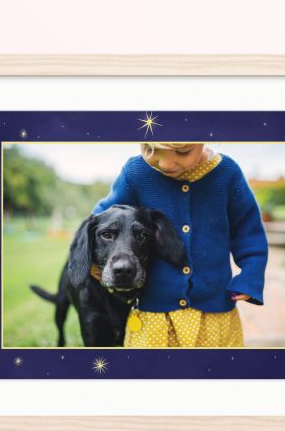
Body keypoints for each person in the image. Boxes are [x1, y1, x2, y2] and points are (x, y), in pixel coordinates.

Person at [92, 142, 268, 347]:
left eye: (182, 152)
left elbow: (249, 231)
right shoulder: (136, 173)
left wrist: (250, 276)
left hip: (213, 313)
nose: (166, 164)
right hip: (154, 312)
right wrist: (94, 260)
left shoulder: (227, 174)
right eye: (151, 150)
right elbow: (101, 218)